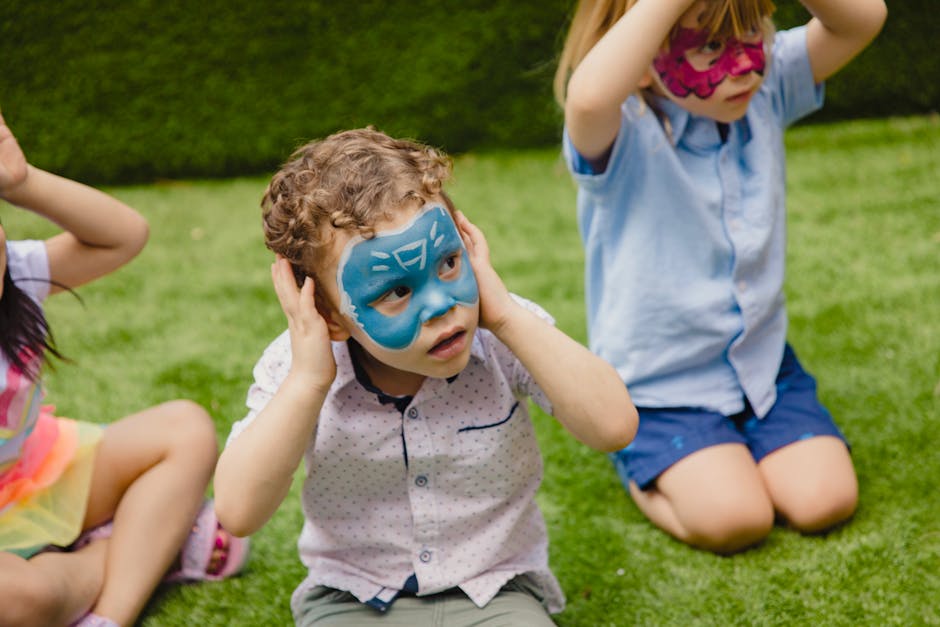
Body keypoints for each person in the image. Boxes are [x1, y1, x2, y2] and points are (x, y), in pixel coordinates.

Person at [214, 128, 637, 625]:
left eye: (449, 262)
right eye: (395, 291)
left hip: (494, 589)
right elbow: (239, 513)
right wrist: (308, 383)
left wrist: (503, 316)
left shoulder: (501, 329)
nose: (442, 305)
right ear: (328, 315)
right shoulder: (297, 367)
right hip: (352, 597)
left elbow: (615, 427)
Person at [554, 0, 886, 554]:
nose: (745, 65)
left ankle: (728, 451)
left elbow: (862, 19)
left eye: (753, 33)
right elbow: (587, 95)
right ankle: (638, 463)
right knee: (737, 520)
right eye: (709, 46)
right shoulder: (622, 127)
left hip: (761, 369)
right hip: (660, 387)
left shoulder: (766, 87)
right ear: (641, 57)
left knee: (824, 502)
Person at [0, 112, 248, 627]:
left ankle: (109, 615)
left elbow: (123, 236)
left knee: (185, 428)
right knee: (20, 601)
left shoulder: (17, 273)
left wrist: (23, 182)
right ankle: (154, 546)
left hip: (37, 473)